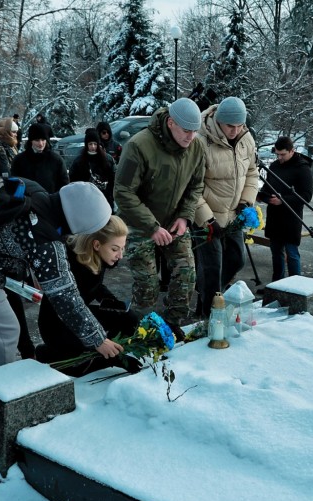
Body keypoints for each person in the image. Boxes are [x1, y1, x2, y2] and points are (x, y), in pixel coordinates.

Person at [0, 180, 127, 375]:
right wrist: (98, 339)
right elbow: (65, 296)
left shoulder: (33, 190)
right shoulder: (45, 241)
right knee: (4, 333)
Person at [114, 97, 205, 329]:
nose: (191, 137)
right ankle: (137, 331)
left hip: (174, 220)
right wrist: (152, 227)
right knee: (147, 285)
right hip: (139, 222)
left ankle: (172, 326)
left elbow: (196, 186)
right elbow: (123, 192)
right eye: (186, 130)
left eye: (195, 131)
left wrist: (185, 216)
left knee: (186, 275)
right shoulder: (139, 145)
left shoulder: (196, 147)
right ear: (171, 122)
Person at [35, 215, 141, 375]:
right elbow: (70, 308)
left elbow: (95, 286)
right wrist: (111, 357)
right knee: (83, 363)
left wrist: (111, 301)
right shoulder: (70, 263)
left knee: (130, 320)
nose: (121, 255)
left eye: (122, 248)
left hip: (81, 313)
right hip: (59, 324)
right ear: (97, 244)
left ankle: (108, 348)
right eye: (115, 249)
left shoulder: (98, 256)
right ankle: (50, 353)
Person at [193, 97, 259, 316]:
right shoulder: (201, 141)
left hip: (233, 215)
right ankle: (208, 315)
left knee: (237, 258)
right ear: (218, 121)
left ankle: (209, 294)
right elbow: (192, 186)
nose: (235, 130)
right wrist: (207, 219)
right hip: (207, 219)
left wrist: (246, 202)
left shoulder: (245, 139)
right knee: (212, 267)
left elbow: (251, 172)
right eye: (231, 126)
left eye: (240, 125)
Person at [0, 116, 35, 359]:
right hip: (7, 220)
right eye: (13, 131)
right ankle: (23, 348)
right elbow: (5, 186)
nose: (16, 135)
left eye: (17, 131)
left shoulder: (13, 150)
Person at [257, 136, 313, 281]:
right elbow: (267, 187)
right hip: (275, 216)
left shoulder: (303, 168)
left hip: (291, 217)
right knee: (276, 252)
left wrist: (283, 200)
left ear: (292, 151)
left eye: (283, 154)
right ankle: (276, 285)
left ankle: (295, 286)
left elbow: (306, 196)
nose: (279, 157)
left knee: (292, 253)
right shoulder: (275, 166)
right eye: (277, 154)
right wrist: (262, 196)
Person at [11, 122, 69, 193]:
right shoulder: (19, 160)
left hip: (50, 201)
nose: (41, 144)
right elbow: (14, 184)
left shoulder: (56, 160)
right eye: (37, 140)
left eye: (43, 140)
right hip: (28, 202)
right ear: (31, 141)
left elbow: (64, 185)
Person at [68, 128, 116, 208]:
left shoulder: (107, 159)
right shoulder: (79, 161)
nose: (93, 147)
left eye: (95, 144)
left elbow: (114, 179)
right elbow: (72, 180)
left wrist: (111, 195)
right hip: (85, 200)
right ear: (86, 145)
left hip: (105, 199)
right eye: (90, 144)